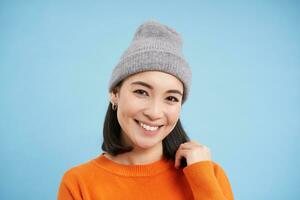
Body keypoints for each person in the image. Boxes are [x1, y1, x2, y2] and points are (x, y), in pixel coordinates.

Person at [58, 20, 235, 200]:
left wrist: (202, 176)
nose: (155, 112)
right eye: (141, 92)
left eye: (171, 98)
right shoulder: (78, 183)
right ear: (114, 93)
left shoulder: (207, 175)